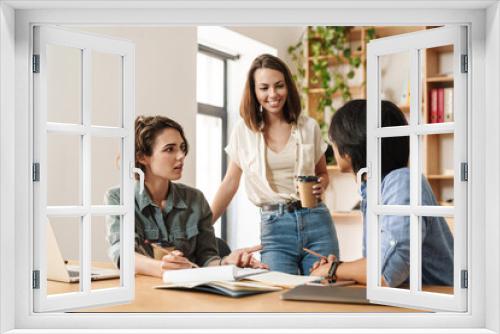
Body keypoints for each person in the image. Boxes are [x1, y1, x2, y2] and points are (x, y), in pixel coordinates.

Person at [210, 54, 339, 275]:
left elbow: (322, 174)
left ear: (287, 86)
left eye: (279, 86)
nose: (273, 94)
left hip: (316, 220)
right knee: (278, 295)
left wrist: (321, 184)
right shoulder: (244, 131)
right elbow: (230, 182)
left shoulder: (309, 126)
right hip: (275, 227)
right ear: (254, 91)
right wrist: (203, 224)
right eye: (264, 88)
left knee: (325, 293)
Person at [310, 99, 454, 288]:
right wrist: (339, 268)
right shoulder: (375, 188)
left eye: (334, 140)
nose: (332, 147)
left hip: (434, 302)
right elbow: (381, 267)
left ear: (351, 147)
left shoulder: (401, 182)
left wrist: (333, 269)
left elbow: (386, 273)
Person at [106, 115, 267, 278]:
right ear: (142, 157)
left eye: (182, 148)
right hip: (144, 293)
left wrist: (226, 263)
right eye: (170, 149)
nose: (181, 155)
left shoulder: (195, 199)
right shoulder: (118, 198)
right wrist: (163, 267)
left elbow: (207, 260)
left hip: (190, 294)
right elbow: (123, 254)